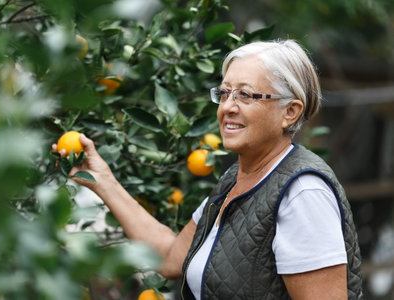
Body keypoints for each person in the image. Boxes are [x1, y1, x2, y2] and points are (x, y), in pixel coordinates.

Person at [54, 39, 363, 299]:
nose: (227, 106)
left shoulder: (302, 194)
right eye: (225, 92)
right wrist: (102, 180)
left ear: (290, 112)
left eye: (245, 94)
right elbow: (170, 257)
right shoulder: (233, 182)